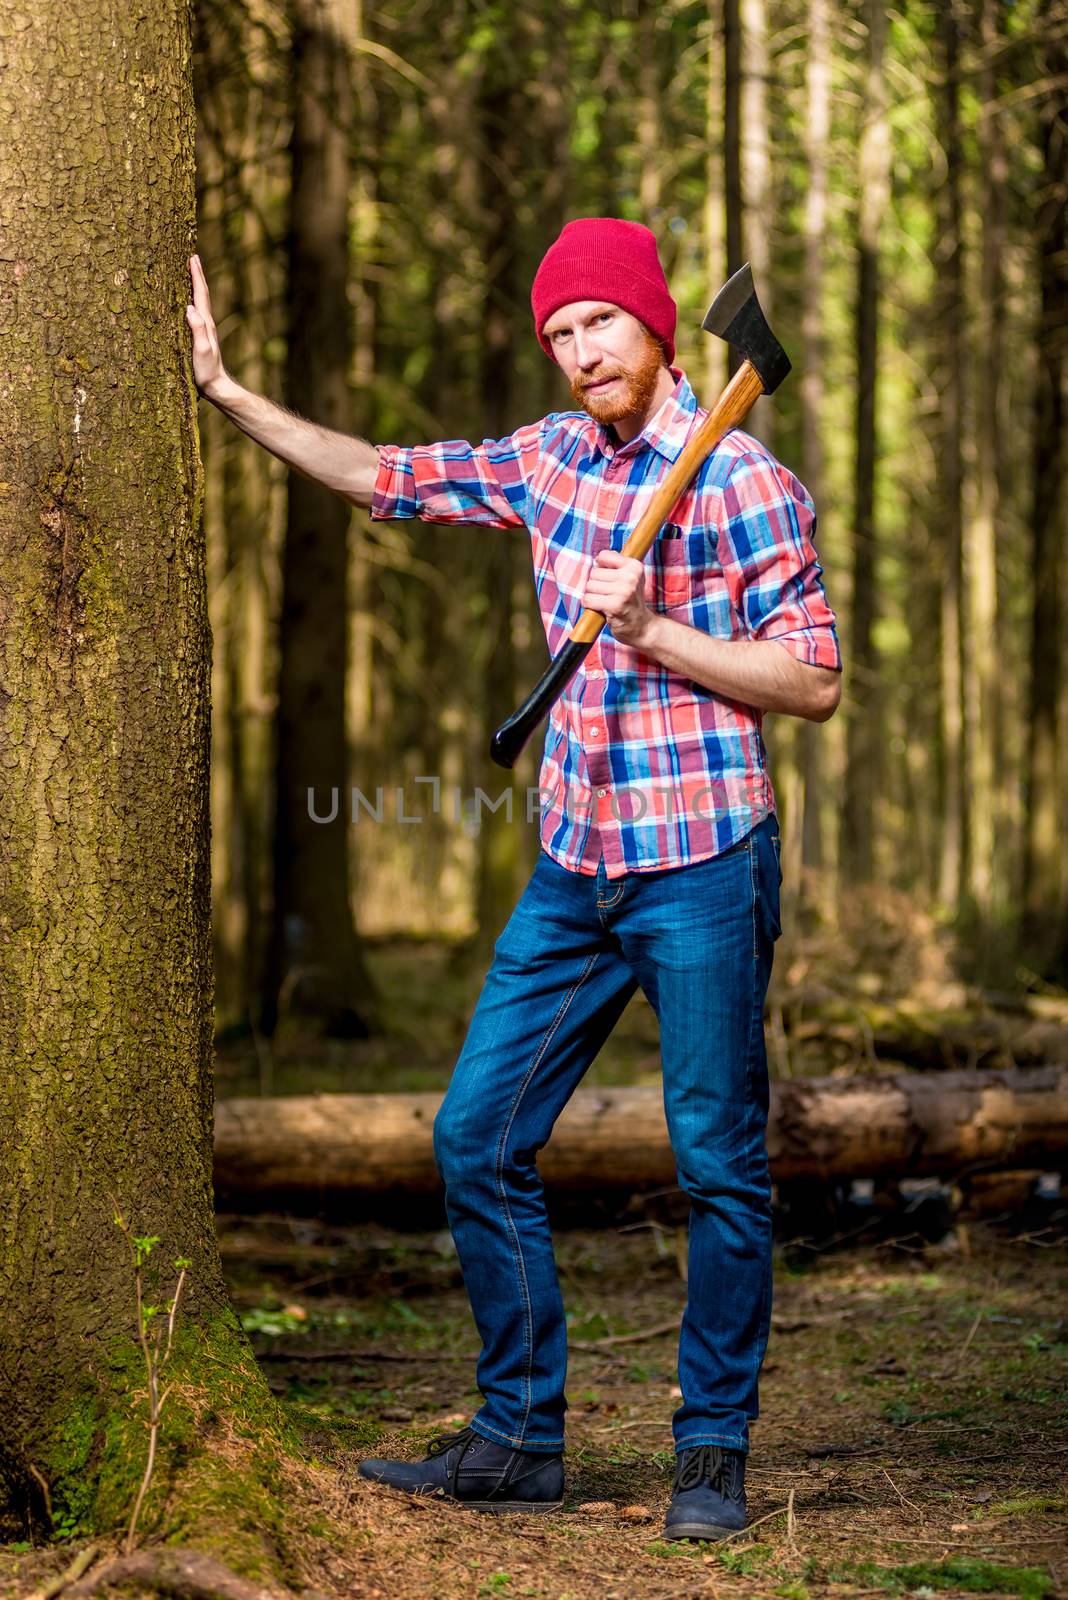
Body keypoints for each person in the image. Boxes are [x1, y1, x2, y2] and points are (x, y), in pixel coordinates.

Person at [186, 217, 842, 1539]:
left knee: (719, 1161)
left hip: (704, 859)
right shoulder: (545, 458)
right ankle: (518, 1435)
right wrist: (231, 395)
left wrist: (655, 624)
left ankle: (711, 1450)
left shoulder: (745, 480)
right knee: (476, 1134)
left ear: (657, 323)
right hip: (575, 867)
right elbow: (384, 474)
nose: (579, 347)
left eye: (598, 320)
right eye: (557, 330)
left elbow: (814, 682)